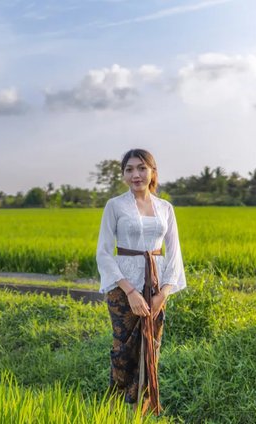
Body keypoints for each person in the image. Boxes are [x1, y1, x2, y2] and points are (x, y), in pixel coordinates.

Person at [96, 148, 186, 416]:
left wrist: (164, 293)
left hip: (155, 287)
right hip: (123, 287)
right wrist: (130, 291)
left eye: (141, 168)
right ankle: (112, 408)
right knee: (123, 350)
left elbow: (175, 253)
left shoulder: (165, 208)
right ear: (123, 175)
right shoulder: (115, 206)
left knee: (150, 349)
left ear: (152, 171)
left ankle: (140, 412)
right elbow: (103, 252)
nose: (136, 174)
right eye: (129, 169)